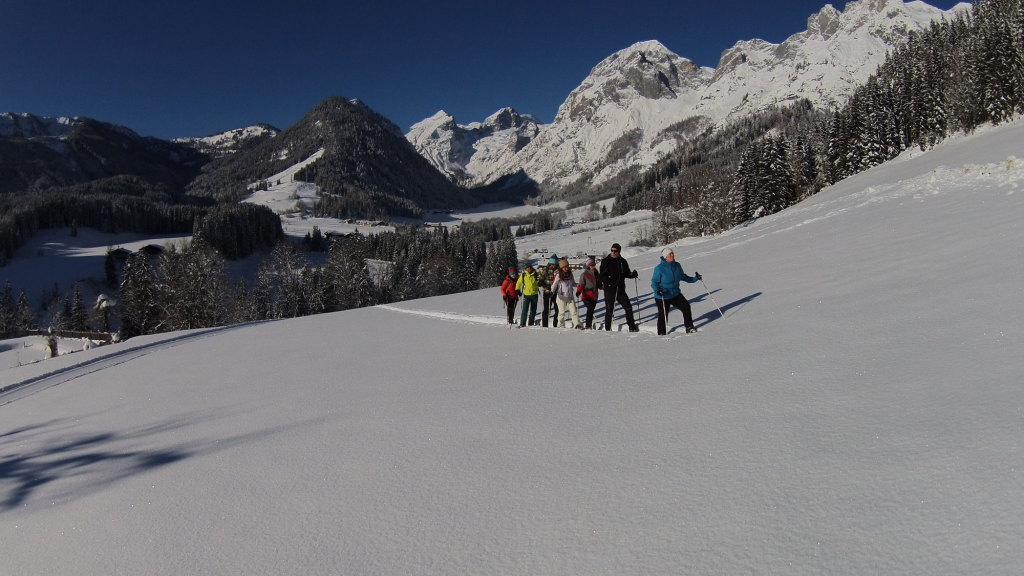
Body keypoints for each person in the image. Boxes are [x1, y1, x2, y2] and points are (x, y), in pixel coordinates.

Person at [650, 247, 700, 335]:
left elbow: (683, 277)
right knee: (663, 315)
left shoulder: (677, 265)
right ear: (665, 257)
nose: (672, 255)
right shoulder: (659, 268)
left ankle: (689, 327)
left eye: (672, 253)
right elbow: (654, 282)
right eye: (670, 254)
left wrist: (695, 278)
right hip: (663, 295)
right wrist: (658, 290)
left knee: (686, 306)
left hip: (675, 294)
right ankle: (661, 333)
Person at [599, 243, 639, 332]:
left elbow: (626, 273)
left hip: (620, 290)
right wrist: (610, 282)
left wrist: (632, 275)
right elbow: (602, 276)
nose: (613, 252)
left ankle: (632, 327)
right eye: (612, 250)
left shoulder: (622, 261)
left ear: (619, 252)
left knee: (628, 307)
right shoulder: (606, 261)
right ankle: (607, 329)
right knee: (610, 310)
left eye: (615, 251)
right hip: (609, 290)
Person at [550, 258, 581, 328]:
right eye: (565, 267)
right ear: (561, 267)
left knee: (574, 311)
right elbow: (554, 284)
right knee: (561, 313)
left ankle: (577, 324)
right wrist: (552, 291)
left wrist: (580, 285)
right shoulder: (558, 275)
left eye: (567, 266)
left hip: (570, 297)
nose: (566, 268)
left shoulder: (570, 274)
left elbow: (572, 283)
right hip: (561, 297)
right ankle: (560, 325)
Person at [576, 257, 602, 329]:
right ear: (588, 266)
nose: (593, 266)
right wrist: (578, 291)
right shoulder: (584, 274)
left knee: (591, 310)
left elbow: (599, 284)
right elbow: (581, 284)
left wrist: (605, 287)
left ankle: (588, 324)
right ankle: (588, 326)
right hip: (586, 296)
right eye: (592, 265)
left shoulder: (596, 274)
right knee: (590, 309)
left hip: (594, 296)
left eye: (594, 265)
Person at [536, 254, 559, 327]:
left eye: (554, 264)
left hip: (556, 293)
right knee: (546, 309)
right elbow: (538, 279)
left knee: (557, 309)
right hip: (547, 292)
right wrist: (541, 282)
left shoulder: (558, 270)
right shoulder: (545, 270)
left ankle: (556, 324)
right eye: (552, 264)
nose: (553, 266)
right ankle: (544, 325)